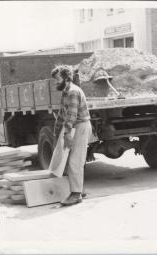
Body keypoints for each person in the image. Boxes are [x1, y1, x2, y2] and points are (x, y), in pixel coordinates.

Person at [51, 65, 92, 206]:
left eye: (57, 79)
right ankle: (78, 189)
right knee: (71, 160)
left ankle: (76, 195)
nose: (56, 82)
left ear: (66, 78)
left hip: (79, 127)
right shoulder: (66, 91)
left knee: (75, 161)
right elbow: (63, 114)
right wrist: (57, 131)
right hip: (73, 127)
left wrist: (67, 134)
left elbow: (72, 115)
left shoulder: (73, 92)